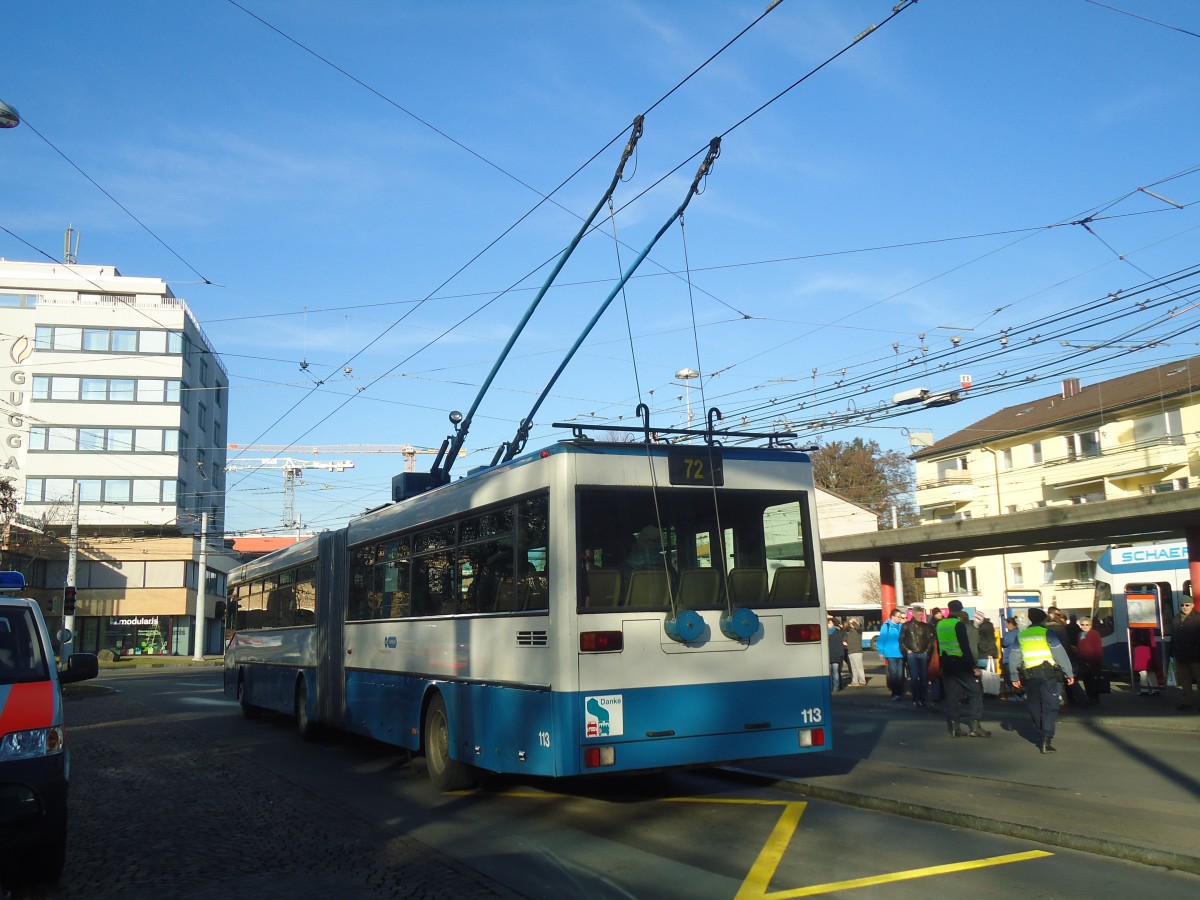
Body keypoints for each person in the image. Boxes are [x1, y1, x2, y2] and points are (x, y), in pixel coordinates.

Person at [1010, 607, 1076, 753]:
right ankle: (1046, 738)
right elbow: (1060, 654)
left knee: (1034, 705)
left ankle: (1041, 729)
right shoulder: (1048, 633)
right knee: (1050, 705)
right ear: (1043, 620)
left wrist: (1014, 676)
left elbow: (1014, 656)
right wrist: (1069, 673)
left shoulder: (1021, 635)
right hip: (1048, 675)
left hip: (1029, 676)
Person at [936, 599, 990, 738]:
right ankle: (975, 726)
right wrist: (973, 667)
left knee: (952, 696)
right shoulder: (958, 624)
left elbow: (939, 645)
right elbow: (964, 647)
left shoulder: (940, 624)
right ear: (960, 610)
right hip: (959, 663)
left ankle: (955, 727)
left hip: (946, 663)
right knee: (975, 691)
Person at [900, 609, 934, 708]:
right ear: (914, 614)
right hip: (912, 653)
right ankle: (916, 698)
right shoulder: (906, 626)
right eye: (919, 614)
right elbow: (901, 640)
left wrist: (927, 651)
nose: (920, 616)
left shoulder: (925, 626)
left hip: (922, 653)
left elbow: (930, 640)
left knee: (923, 677)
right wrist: (907, 650)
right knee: (914, 677)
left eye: (921, 614)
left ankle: (923, 699)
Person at [1172, 597, 1200, 711]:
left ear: (1192, 605)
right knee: (1185, 681)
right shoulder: (1176, 618)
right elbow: (1173, 637)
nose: (1184, 607)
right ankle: (1187, 702)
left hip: (1196, 656)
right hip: (1181, 655)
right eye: (1182, 605)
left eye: (1187, 605)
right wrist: (1172, 652)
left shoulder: (1198, 618)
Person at [877, 607, 906, 701]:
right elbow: (881, 639)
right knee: (894, 674)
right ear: (892, 617)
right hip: (890, 653)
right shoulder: (886, 626)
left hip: (900, 653)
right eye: (898, 617)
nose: (900, 618)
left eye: (901, 617)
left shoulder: (901, 626)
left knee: (900, 675)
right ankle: (895, 693)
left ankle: (900, 693)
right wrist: (881, 652)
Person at [1074, 615, 1104, 703]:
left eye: (1087, 625)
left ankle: (1094, 697)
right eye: (1082, 624)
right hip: (1083, 661)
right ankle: (1089, 697)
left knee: (1093, 680)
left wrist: (1097, 661)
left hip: (1092, 661)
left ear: (1090, 625)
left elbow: (1098, 649)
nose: (1084, 626)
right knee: (1086, 680)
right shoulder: (1080, 634)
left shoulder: (1095, 634)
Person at [1001, 617, 1024, 702]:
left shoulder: (1011, 634)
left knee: (1012, 678)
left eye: (1006, 624)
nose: (1006, 626)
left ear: (1010, 623)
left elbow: (1005, 643)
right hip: (1017, 658)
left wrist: (1003, 640)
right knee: (1017, 677)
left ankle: (1018, 695)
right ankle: (1020, 693)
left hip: (1010, 659)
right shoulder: (1018, 632)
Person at [844, 618, 866, 686]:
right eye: (850, 623)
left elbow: (858, 628)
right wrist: (844, 642)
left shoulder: (859, 631)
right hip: (850, 651)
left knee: (859, 667)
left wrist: (853, 622)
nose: (851, 624)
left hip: (857, 651)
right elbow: (845, 638)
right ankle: (855, 682)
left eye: (853, 623)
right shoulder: (849, 632)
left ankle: (862, 681)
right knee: (853, 668)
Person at [826, 616, 844, 692]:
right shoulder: (825, 633)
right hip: (828, 655)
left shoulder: (838, 632)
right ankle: (830, 687)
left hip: (836, 655)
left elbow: (839, 624)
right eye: (828, 623)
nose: (828, 624)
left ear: (833, 624)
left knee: (835, 672)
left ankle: (836, 687)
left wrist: (832, 617)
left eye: (830, 623)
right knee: (829, 674)